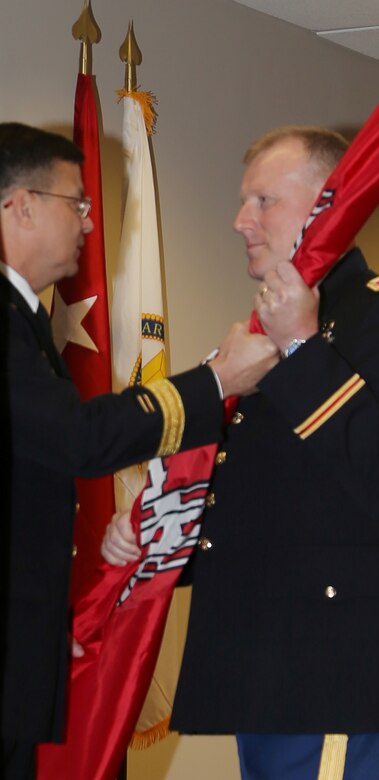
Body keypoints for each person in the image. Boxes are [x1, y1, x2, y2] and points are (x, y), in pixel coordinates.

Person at [102, 126, 379, 779]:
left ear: (329, 205)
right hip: (267, 660)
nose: (239, 221)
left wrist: (303, 348)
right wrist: (158, 531)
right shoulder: (267, 332)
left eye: (263, 201)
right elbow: (265, 498)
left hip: (328, 664)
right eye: (243, 202)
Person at [0, 121, 278, 780]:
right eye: (79, 203)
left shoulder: (23, 319)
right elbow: (75, 438)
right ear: (21, 205)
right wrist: (214, 383)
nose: (89, 224)